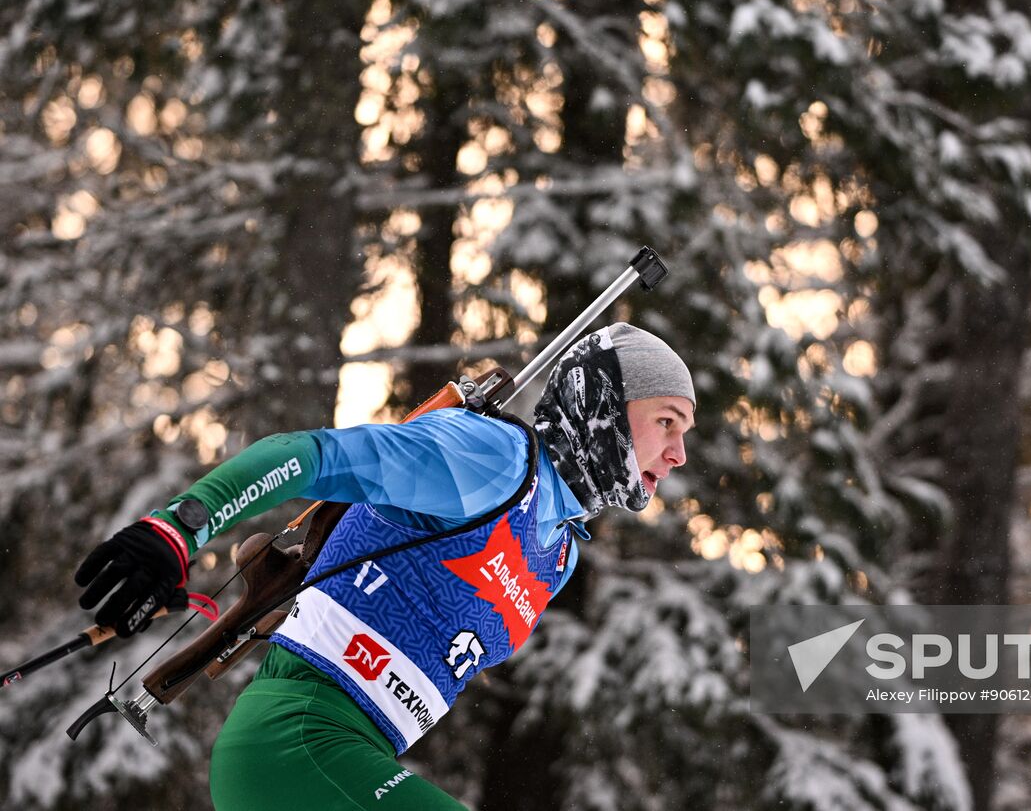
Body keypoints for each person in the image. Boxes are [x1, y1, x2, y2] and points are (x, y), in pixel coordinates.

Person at [73, 323, 694, 810]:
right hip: (297, 741)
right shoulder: (491, 459)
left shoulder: (557, 551)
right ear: (606, 404)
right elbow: (305, 456)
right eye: (666, 421)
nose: (678, 453)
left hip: (355, 760)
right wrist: (179, 527)